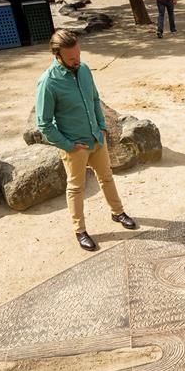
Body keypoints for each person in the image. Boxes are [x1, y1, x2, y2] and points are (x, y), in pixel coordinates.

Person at [36, 30, 137, 252]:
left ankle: (117, 212)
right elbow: (43, 123)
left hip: (95, 137)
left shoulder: (83, 70)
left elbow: (94, 99)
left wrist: (101, 127)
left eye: (78, 55)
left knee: (107, 177)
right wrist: (68, 145)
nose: (77, 61)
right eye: (71, 58)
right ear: (57, 55)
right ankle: (80, 230)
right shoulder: (47, 83)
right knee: (76, 188)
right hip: (74, 146)